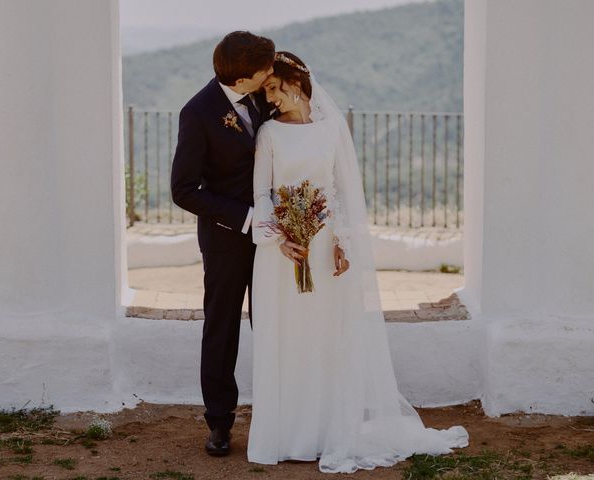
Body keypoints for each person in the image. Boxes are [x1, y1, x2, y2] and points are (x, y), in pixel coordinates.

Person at [247, 51, 469, 474]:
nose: (270, 99)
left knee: (327, 338)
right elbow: (262, 194)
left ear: (296, 84)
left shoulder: (332, 130)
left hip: (326, 246)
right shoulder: (269, 134)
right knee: (286, 338)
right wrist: (278, 239)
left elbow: (344, 192)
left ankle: (327, 432)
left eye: (273, 88)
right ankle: (284, 435)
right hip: (282, 253)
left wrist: (341, 242)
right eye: (265, 92)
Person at [171, 31, 275, 457]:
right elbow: (184, 190)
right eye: (265, 69)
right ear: (243, 78)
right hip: (227, 239)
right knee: (222, 328)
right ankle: (219, 423)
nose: (272, 73)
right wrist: (248, 218)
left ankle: (280, 414)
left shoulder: (263, 97)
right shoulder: (197, 113)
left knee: (274, 325)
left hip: (277, 240)